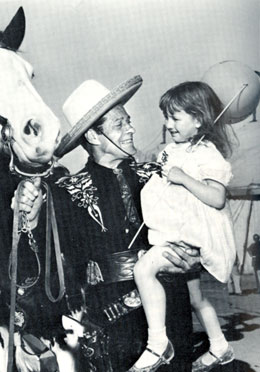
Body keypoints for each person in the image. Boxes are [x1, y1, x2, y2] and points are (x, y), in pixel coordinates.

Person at [17, 76, 201, 371]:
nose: (131, 129)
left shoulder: (160, 176)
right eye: (119, 124)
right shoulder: (65, 192)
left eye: (128, 121)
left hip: (171, 311)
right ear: (93, 136)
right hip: (112, 323)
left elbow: (199, 229)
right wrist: (34, 218)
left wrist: (192, 257)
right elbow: (42, 265)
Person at [130, 81, 236, 372]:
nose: (168, 124)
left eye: (175, 118)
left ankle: (158, 343)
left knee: (144, 269)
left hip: (190, 235)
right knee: (195, 297)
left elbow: (217, 197)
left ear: (199, 120)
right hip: (177, 228)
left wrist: (183, 178)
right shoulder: (174, 150)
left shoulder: (208, 154)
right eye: (167, 117)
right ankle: (219, 345)